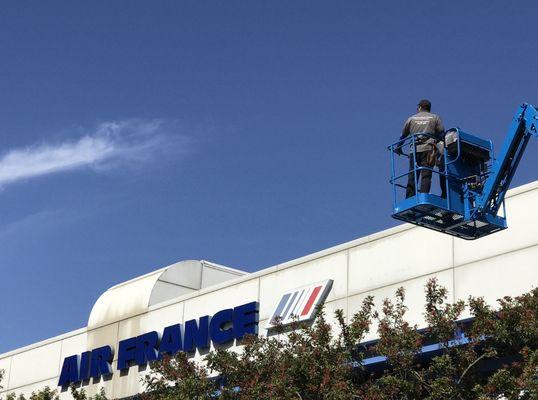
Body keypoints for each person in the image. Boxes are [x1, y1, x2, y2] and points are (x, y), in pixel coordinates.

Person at [400, 99, 445, 198]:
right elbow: (442, 133)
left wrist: (399, 147)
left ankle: (409, 197)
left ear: (419, 107)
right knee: (426, 174)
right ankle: (424, 195)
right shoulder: (435, 118)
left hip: (414, 151)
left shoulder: (411, 119)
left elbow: (403, 136)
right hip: (429, 150)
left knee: (412, 175)